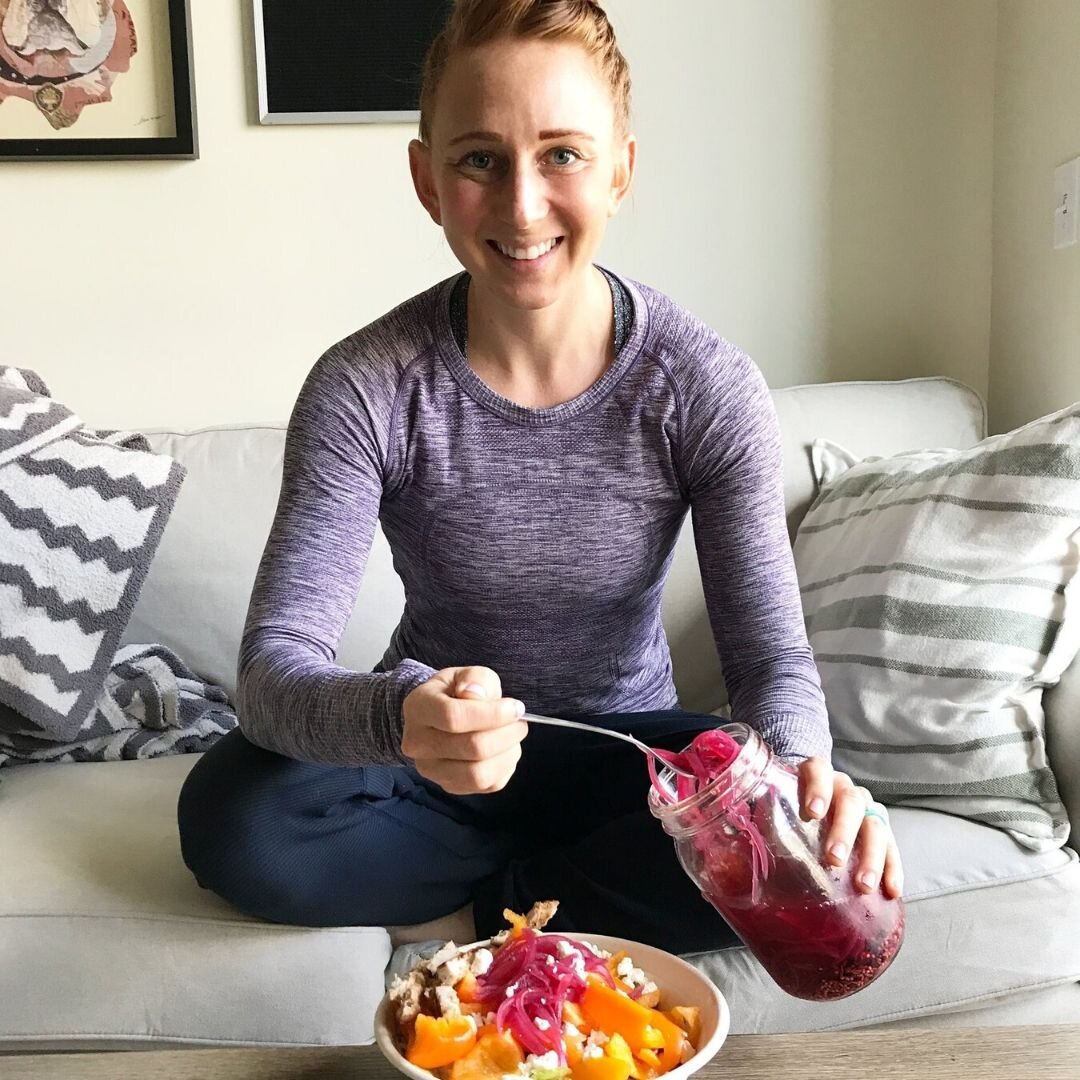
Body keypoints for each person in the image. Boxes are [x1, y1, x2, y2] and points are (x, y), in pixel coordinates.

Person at [177, 0, 903, 956]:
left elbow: (768, 663)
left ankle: (487, 913)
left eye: (563, 154)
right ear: (427, 180)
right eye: (480, 158)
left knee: (800, 857)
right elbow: (273, 676)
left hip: (627, 755)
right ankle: (563, 902)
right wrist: (402, 715)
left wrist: (807, 786)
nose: (523, 205)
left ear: (620, 173)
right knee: (235, 817)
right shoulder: (364, 386)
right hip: (435, 762)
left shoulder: (706, 386)